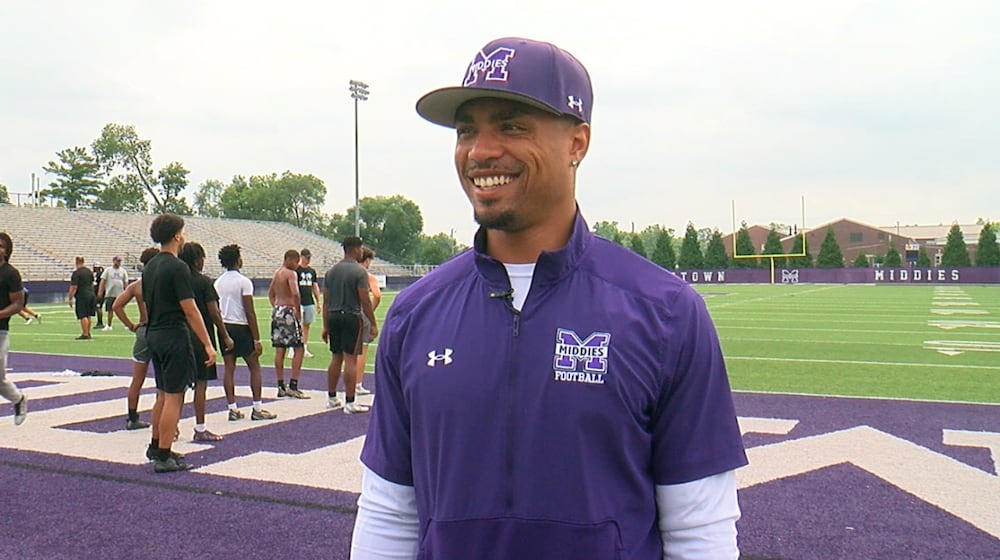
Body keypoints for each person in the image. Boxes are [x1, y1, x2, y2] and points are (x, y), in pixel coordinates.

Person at [351, 38, 748, 559]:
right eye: (467, 129)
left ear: (577, 143)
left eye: (512, 125)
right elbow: (390, 510)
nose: (480, 150)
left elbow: (700, 527)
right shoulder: (415, 313)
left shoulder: (666, 312)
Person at [141, 214, 217, 473]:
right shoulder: (177, 267)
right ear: (176, 235)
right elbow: (190, 309)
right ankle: (163, 455)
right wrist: (207, 343)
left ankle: (156, 445)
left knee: (162, 394)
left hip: (154, 332)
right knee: (175, 395)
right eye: (182, 232)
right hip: (173, 334)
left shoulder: (150, 266)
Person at [214, 244, 276, 421]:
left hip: (225, 326)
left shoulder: (218, 282)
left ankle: (232, 409)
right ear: (237, 260)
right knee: (254, 366)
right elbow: (249, 311)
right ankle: (257, 407)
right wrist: (256, 338)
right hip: (241, 327)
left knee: (229, 369)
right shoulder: (244, 282)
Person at [180, 242, 234, 441]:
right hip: (200, 337)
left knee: (176, 387)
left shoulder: (177, 280)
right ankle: (200, 428)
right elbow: (214, 312)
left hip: (179, 335)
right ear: (197, 260)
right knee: (200, 384)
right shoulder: (203, 282)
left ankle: (172, 426)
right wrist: (225, 334)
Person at [321, 236, 376, 414]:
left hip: (334, 316)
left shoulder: (331, 272)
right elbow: (365, 300)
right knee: (351, 358)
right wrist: (373, 323)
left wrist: (325, 325)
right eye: (361, 248)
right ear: (355, 249)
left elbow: (326, 301)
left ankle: (331, 397)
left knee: (336, 357)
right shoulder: (359, 272)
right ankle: (350, 401)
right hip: (351, 316)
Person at [112, 247, 159, 430]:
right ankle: (161, 418)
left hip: (143, 330)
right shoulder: (162, 283)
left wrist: (132, 325)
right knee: (162, 381)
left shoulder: (137, 285)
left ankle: (132, 417)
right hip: (160, 330)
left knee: (137, 379)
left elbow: (117, 306)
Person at [269, 249, 309, 399]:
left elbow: (271, 293)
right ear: (291, 259)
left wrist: (277, 306)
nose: (297, 265)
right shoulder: (290, 273)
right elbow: (295, 293)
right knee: (299, 346)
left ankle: (280, 385)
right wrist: (296, 310)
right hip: (289, 311)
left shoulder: (278, 273)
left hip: (278, 310)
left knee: (280, 349)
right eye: (296, 262)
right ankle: (293, 385)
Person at [0, 232, 28, 426]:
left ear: (7, 251)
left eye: (1, 246)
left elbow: (18, 304)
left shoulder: (10, 273)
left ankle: (18, 399)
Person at [354, 247, 381, 395]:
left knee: (344, 352)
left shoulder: (346, 273)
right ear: (367, 260)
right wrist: (371, 310)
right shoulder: (368, 276)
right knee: (362, 351)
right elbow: (377, 295)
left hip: (345, 312)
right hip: (361, 313)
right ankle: (357, 384)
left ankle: (344, 386)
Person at [296, 248, 321, 358]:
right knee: (298, 325)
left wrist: (318, 301)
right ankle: (295, 347)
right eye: (307, 257)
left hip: (309, 301)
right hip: (298, 301)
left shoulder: (311, 271)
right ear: (302, 257)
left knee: (307, 325)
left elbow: (314, 286)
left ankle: (304, 347)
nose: (308, 260)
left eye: (309, 257)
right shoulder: (296, 270)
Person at [96, 255, 129, 331]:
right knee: (110, 310)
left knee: (122, 310)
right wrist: (100, 291)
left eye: (120, 261)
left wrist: (126, 292)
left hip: (120, 293)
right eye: (117, 261)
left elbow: (125, 282)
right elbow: (103, 281)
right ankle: (109, 325)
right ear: (113, 261)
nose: (118, 263)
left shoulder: (123, 271)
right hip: (110, 293)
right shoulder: (108, 270)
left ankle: (126, 324)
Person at [67, 256, 96, 340]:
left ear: (76, 262)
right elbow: (92, 284)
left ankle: (85, 333)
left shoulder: (76, 273)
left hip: (82, 295)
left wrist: (70, 298)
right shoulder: (89, 271)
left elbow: (74, 287)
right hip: (91, 294)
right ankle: (88, 332)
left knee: (83, 315)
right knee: (88, 315)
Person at [92, 261, 105, 329]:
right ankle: (99, 322)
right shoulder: (100, 273)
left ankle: (100, 322)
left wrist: (100, 292)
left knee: (98, 307)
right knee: (98, 307)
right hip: (97, 292)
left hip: (98, 292)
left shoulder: (99, 274)